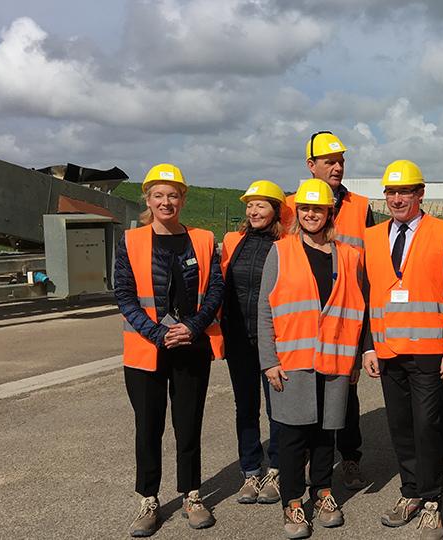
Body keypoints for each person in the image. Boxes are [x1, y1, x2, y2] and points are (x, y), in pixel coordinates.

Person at [114, 163, 224, 537]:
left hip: (191, 347)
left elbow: (215, 291)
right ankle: (148, 498)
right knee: (148, 426)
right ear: (147, 198)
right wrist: (159, 334)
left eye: (172, 195)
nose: (166, 202)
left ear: (183, 198)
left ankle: (192, 495)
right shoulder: (131, 241)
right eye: (158, 195)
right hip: (147, 349)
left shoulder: (205, 239)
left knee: (188, 424)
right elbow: (125, 295)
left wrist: (192, 327)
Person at [257, 178, 370, 539]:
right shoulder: (281, 251)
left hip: (335, 362)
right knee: (291, 436)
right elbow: (264, 310)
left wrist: (353, 361)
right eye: (305, 208)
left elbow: (359, 311)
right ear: (297, 212)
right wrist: (268, 360)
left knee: (326, 434)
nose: (310, 214)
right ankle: (292, 502)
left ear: (329, 213)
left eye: (318, 209)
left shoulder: (349, 256)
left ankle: (322, 492)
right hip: (292, 361)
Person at [361, 159, 443, 540]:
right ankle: (409, 492)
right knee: (401, 427)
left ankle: (431, 501)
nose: (396, 198)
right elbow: (366, 296)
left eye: (404, 191)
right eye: (390, 192)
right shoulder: (373, 237)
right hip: (388, 351)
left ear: (420, 194)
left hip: (430, 351)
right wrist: (369, 347)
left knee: (426, 426)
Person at [294, 130, 374, 490]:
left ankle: (351, 458)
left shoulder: (360, 206)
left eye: (341, 160)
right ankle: (308, 457)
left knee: (348, 392)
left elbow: (372, 266)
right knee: (307, 393)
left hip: (348, 317)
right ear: (311, 165)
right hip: (306, 318)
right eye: (330, 161)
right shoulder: (292, 203)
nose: (338, 167)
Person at [220, 180, 288, 505]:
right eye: (250, 205)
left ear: (275, 209)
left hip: (273, 341)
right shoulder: (233, 241)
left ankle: (276, 470)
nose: (253, 210)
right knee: (245, 408)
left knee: (278, 409)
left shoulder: (287, 244)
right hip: (238, 339)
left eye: (261, 204)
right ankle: (250, 472)